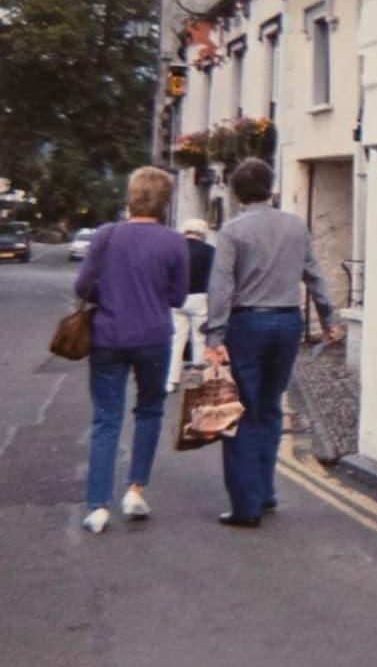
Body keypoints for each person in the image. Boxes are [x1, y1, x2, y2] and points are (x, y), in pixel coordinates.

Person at [203, 158, 341, 528]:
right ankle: (265, 493)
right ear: (271, 187)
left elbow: (221, 286)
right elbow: (314, 275)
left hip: (247, 323)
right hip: (288, 323)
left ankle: (245, 506)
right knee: (270, 407)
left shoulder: (232, 231)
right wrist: (328, 319)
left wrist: (215, 334)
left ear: (236, 192)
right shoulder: (296, 226)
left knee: (241, 411)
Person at [76, 166, 189, 533]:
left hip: (108, 337)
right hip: (154, 336)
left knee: (106, 419)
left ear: (131, 196)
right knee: (150, 411)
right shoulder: (175, 242)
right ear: (165, 202)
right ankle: (135, 491)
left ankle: (97, 507)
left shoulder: (105, 236)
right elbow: (178, 296)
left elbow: (82, 288)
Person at [166, 218, 214, 393]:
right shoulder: (209, 251)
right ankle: (198, 379)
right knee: (199, 338)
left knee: (176, 339)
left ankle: (171, 380)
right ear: (202, 233)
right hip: (200, 297)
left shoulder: (174, 250)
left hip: (177, 298)